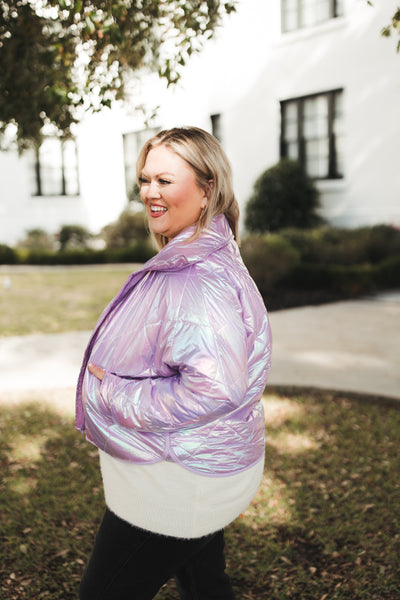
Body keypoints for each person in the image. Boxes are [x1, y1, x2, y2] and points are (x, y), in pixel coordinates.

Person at [75, 126, 272, 600]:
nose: (149, 193)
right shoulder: (204, 251)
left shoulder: (195, 278)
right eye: (145, 180)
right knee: (205, 584)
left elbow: (214, 388)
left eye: (165, 181)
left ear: (207, 191)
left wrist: (113, 393)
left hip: (176, 480)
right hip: (194, 464)